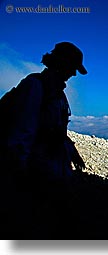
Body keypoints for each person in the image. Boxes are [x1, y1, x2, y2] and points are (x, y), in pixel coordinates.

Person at [0, 42, 87, 238]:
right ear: (61, 64)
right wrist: (19, 170)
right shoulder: (35, 87)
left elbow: (57, 130)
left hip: (49, 169)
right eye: (73, 68)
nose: (73, 74)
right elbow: (23, 131)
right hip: (35, 171)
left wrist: (72, 151)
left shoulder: (57, 92)